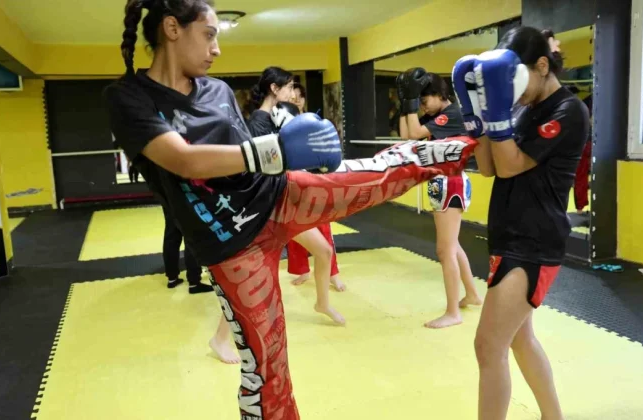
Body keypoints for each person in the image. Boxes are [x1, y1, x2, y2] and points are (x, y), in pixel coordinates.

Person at [106, 0, 476, 417]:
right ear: (172, 28)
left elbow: (246, 159)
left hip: (276, 196)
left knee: (370, 175)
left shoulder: (218, 90)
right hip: (231, 245)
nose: (216, 49)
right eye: (208, 35)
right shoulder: (128, 97)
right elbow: (184, 160)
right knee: (267, 368)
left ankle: (475, 139)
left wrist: (289, 158)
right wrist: (277, 150)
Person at [453, 26, 590, 420]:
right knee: (520, 339)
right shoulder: (522, 108)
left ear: (542, 66)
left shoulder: (568, 110)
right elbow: (488, 167)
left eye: (516, 77)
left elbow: (512, 165)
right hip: (509, 233)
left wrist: (497, 116)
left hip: (534, 241)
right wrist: (478, 117)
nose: (513, 88)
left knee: (488, 345)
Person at [246, 68, 346, 325]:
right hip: (267, 207)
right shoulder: (258, 121)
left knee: (323, 251)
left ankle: (322, 303)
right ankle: (223, 336)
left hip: (283, 203)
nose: (293, 93)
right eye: (289, 87)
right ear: (274, 88)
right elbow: (263, 167)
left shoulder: (278, 118)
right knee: (256, 272)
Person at [396, 69, 482, 329]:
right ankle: (472, 294)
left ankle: (453, 312)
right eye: (420, 102)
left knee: (444, 250)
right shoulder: (436, 116)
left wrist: (411, 101)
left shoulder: (452, 113)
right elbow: (405, 134)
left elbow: (413, 133)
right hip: (443, 183)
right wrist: (406, 103)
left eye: (424, 100)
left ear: (439, 94)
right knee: (453, 246)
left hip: (450, 183)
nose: (422, 107)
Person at [285, 82, 345, 300]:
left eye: (299, 96)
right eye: (292, 96)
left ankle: (333, 274)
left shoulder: (313, 123)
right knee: (294, 232)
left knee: (323, 229)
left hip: (314, 181)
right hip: (291, 182)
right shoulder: (282, 123)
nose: (296, 100)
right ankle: (302, 270)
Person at [162, 205, 214, 293]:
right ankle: (194, 282)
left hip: (167, 199)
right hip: (184, 201)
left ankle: (172, 278)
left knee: (171, 235)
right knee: (192, 236)